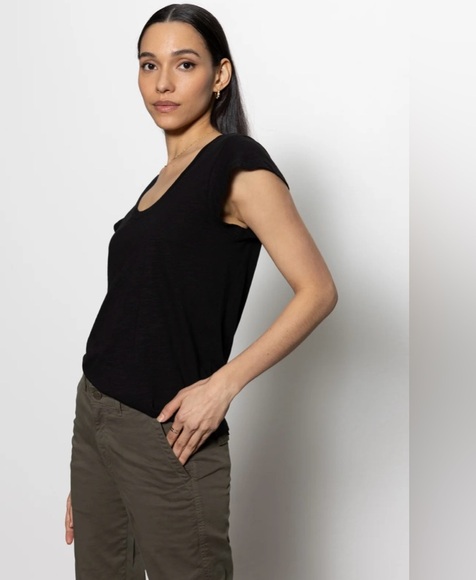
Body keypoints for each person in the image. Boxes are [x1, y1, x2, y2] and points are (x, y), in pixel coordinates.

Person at [64, 4, 338, 579]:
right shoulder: (163, 177)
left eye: (184, 64)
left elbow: (317, 290)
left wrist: (223, 385)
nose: (162, 83)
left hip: (168, 430)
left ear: (220, 75)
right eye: (149, 65)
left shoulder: (236, 163)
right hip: (97, 415)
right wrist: (97, 462)